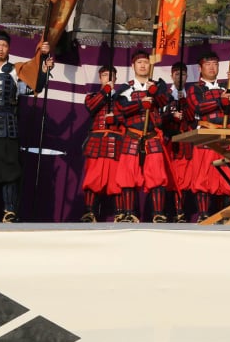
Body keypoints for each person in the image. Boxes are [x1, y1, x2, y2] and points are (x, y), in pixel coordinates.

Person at [0, 30, 52, 222]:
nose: (0, 49)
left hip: (7, 127)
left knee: (10, 172)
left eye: (4, 45)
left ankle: (9, 211)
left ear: (9, 48)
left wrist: (43, 71)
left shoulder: (15, 70)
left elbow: (33, 87)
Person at [113, 49, 173, 222]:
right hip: (132, 136)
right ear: (133, 66)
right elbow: (121, 109)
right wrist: (141, 103)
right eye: (139, 62)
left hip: (151, 136)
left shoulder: (158, 85)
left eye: (146, 62)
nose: (143, 65)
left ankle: (158, 214)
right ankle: (129, 213)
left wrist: (153, 92)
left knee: (157, 176)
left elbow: (164, 101)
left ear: (150, 65)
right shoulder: (126, 88)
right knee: (128, 176)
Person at [185, 50, 230, 220]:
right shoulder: (195, 88)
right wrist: (218, 102)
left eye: (215, 64)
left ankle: (226, 214)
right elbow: (197, 107)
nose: (212, 67)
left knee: (228, 175)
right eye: (207, 64)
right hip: (206, 135)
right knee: (204, 175)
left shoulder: (226, 86)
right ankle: (203, 213)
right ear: (200, 68)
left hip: (226, 135)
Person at [80, 65, 123, 222]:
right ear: (100, 78)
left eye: (111, 75)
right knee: (93, 178)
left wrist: (116, 117)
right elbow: (91, 107)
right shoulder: (92, 96)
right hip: (97, 144)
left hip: (115, 144)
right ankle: (89, 212)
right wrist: (105, 90)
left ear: (116, 79)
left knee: (117, 180)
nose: (108, 78)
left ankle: (120, 213)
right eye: (105, 75)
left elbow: (126, 117)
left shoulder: (121, 99)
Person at [161, 61, 193, 221]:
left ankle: (181, 212)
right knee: (170, 177)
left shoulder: (191, 94)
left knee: (185, 178)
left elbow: (195, 118)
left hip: (186, 142)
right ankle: (168, 212)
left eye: (183, 74)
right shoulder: (165, 94)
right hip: (170, 141)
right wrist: (171, 115)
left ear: (187, 76)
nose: (180, 77)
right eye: (177, 74)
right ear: (172, 75)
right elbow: (159, 118)